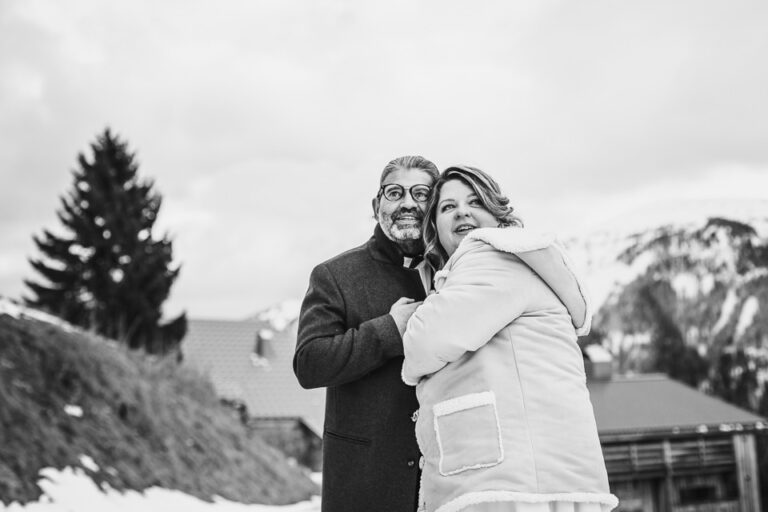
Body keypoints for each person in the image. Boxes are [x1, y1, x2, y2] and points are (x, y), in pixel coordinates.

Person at [401, 166, 618, 512]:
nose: (462, 212)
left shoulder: (494, 256)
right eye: (448, 207)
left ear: (497, 213)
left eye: (475, 201)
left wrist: (409, 320)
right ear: (435, 228)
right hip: (535, 478)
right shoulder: (506, 264)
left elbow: (424, 343)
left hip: (509, 485)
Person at [294, 155, 439, 512]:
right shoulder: (335, 276)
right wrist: (389, 330)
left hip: (444, 481)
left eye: (421, 193)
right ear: (377, 206)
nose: (408, 203)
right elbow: (309, 363)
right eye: (395, 192)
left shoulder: (457, 273)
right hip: (365, 483)